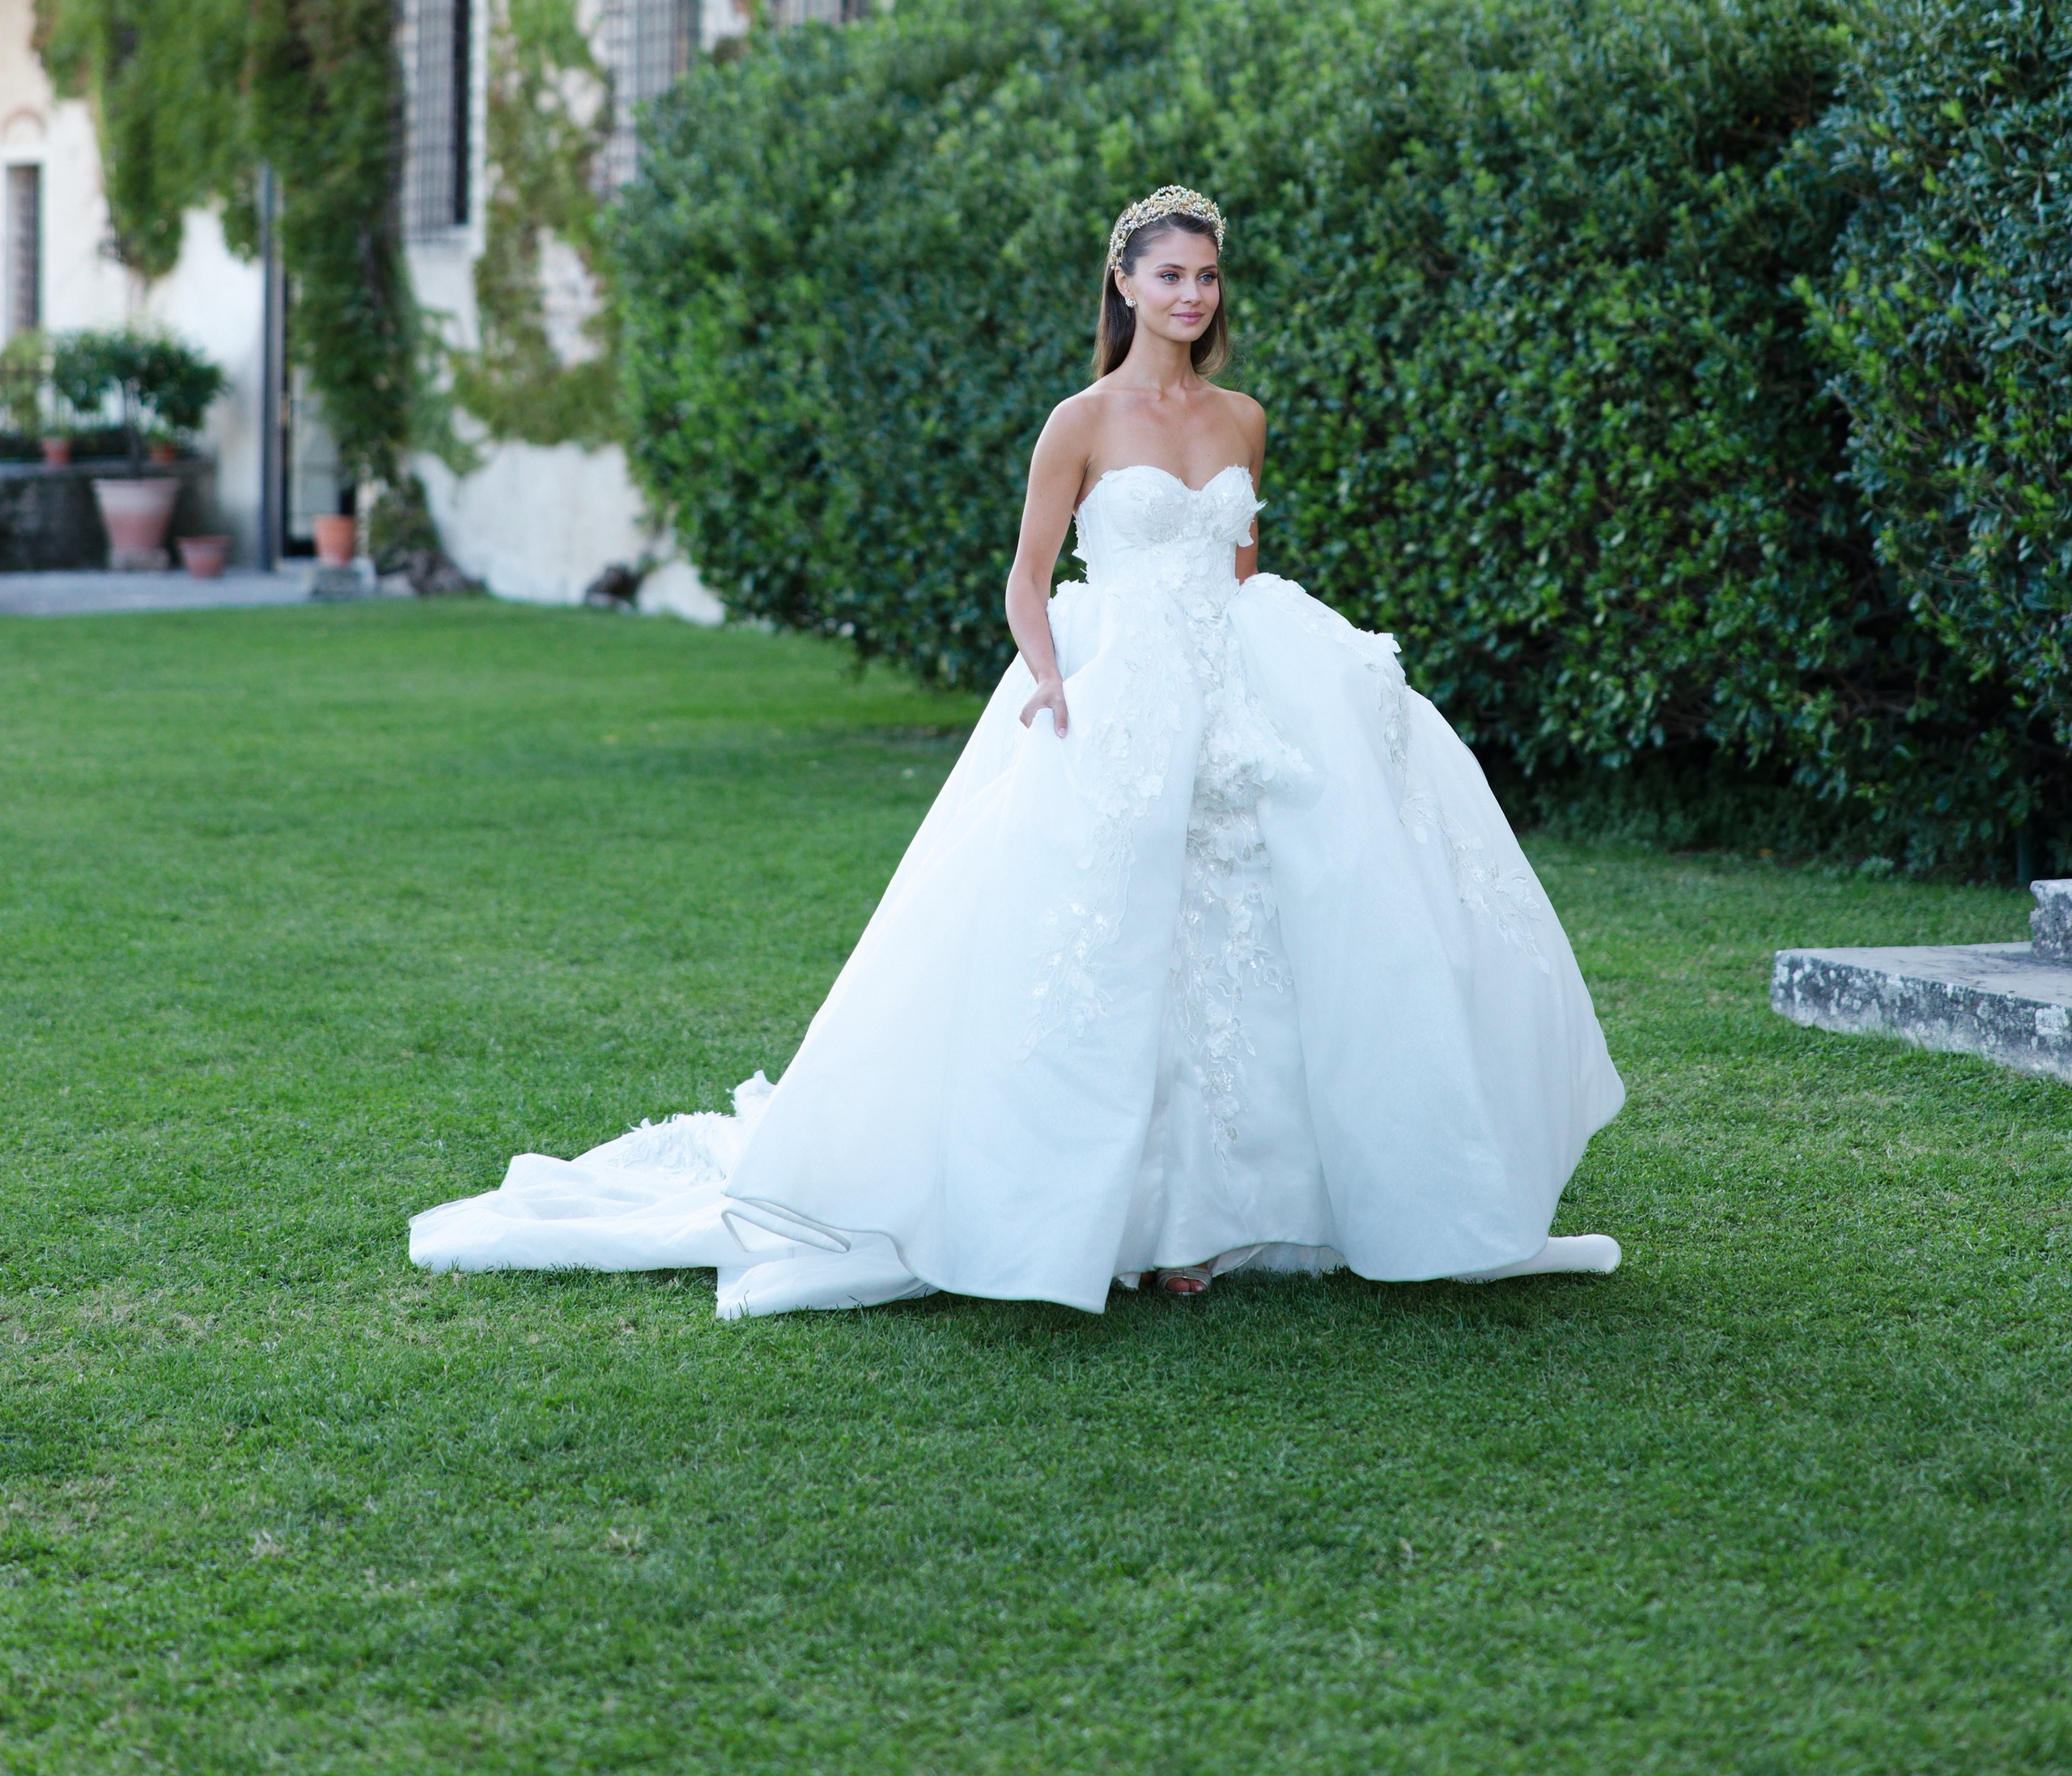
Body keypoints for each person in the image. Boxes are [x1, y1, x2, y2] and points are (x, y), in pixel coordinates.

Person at [411, 186, 1626, 1315]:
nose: (1192, 296)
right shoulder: (1079, 421)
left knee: (1255, 928)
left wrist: (1307, 674)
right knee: (1124, 935)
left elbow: (1240, 568)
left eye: (1207, 277)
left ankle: (1229, 1212)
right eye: (1170, 276)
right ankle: (1138, 1215)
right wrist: (1049, 677)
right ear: (1125, 283)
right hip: (1121, 687)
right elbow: (1027, 578)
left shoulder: (1243, 417)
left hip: (1241, 693)